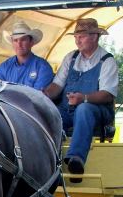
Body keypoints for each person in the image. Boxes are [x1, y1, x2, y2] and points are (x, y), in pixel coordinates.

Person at [43, 18, 118, 182]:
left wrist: (83, 98)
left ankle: (76, 160)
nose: (77, 40)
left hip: (97, 111)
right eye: (76, 36)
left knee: (84, 109)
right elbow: (57, 85)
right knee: (47, 113)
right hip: (67, 109)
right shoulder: (71, 57)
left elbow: (107, 94)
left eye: (82, 36)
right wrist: (44, 96)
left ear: (95, 37)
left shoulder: (107, 60)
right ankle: (42, 160)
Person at [0, 21, 54, 90]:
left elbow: (38, 98)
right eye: (15, 40)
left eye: (23, 40)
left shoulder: (43, 67)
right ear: (12, 43)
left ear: (31, 42)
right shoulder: (3, 67)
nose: (19, 44)